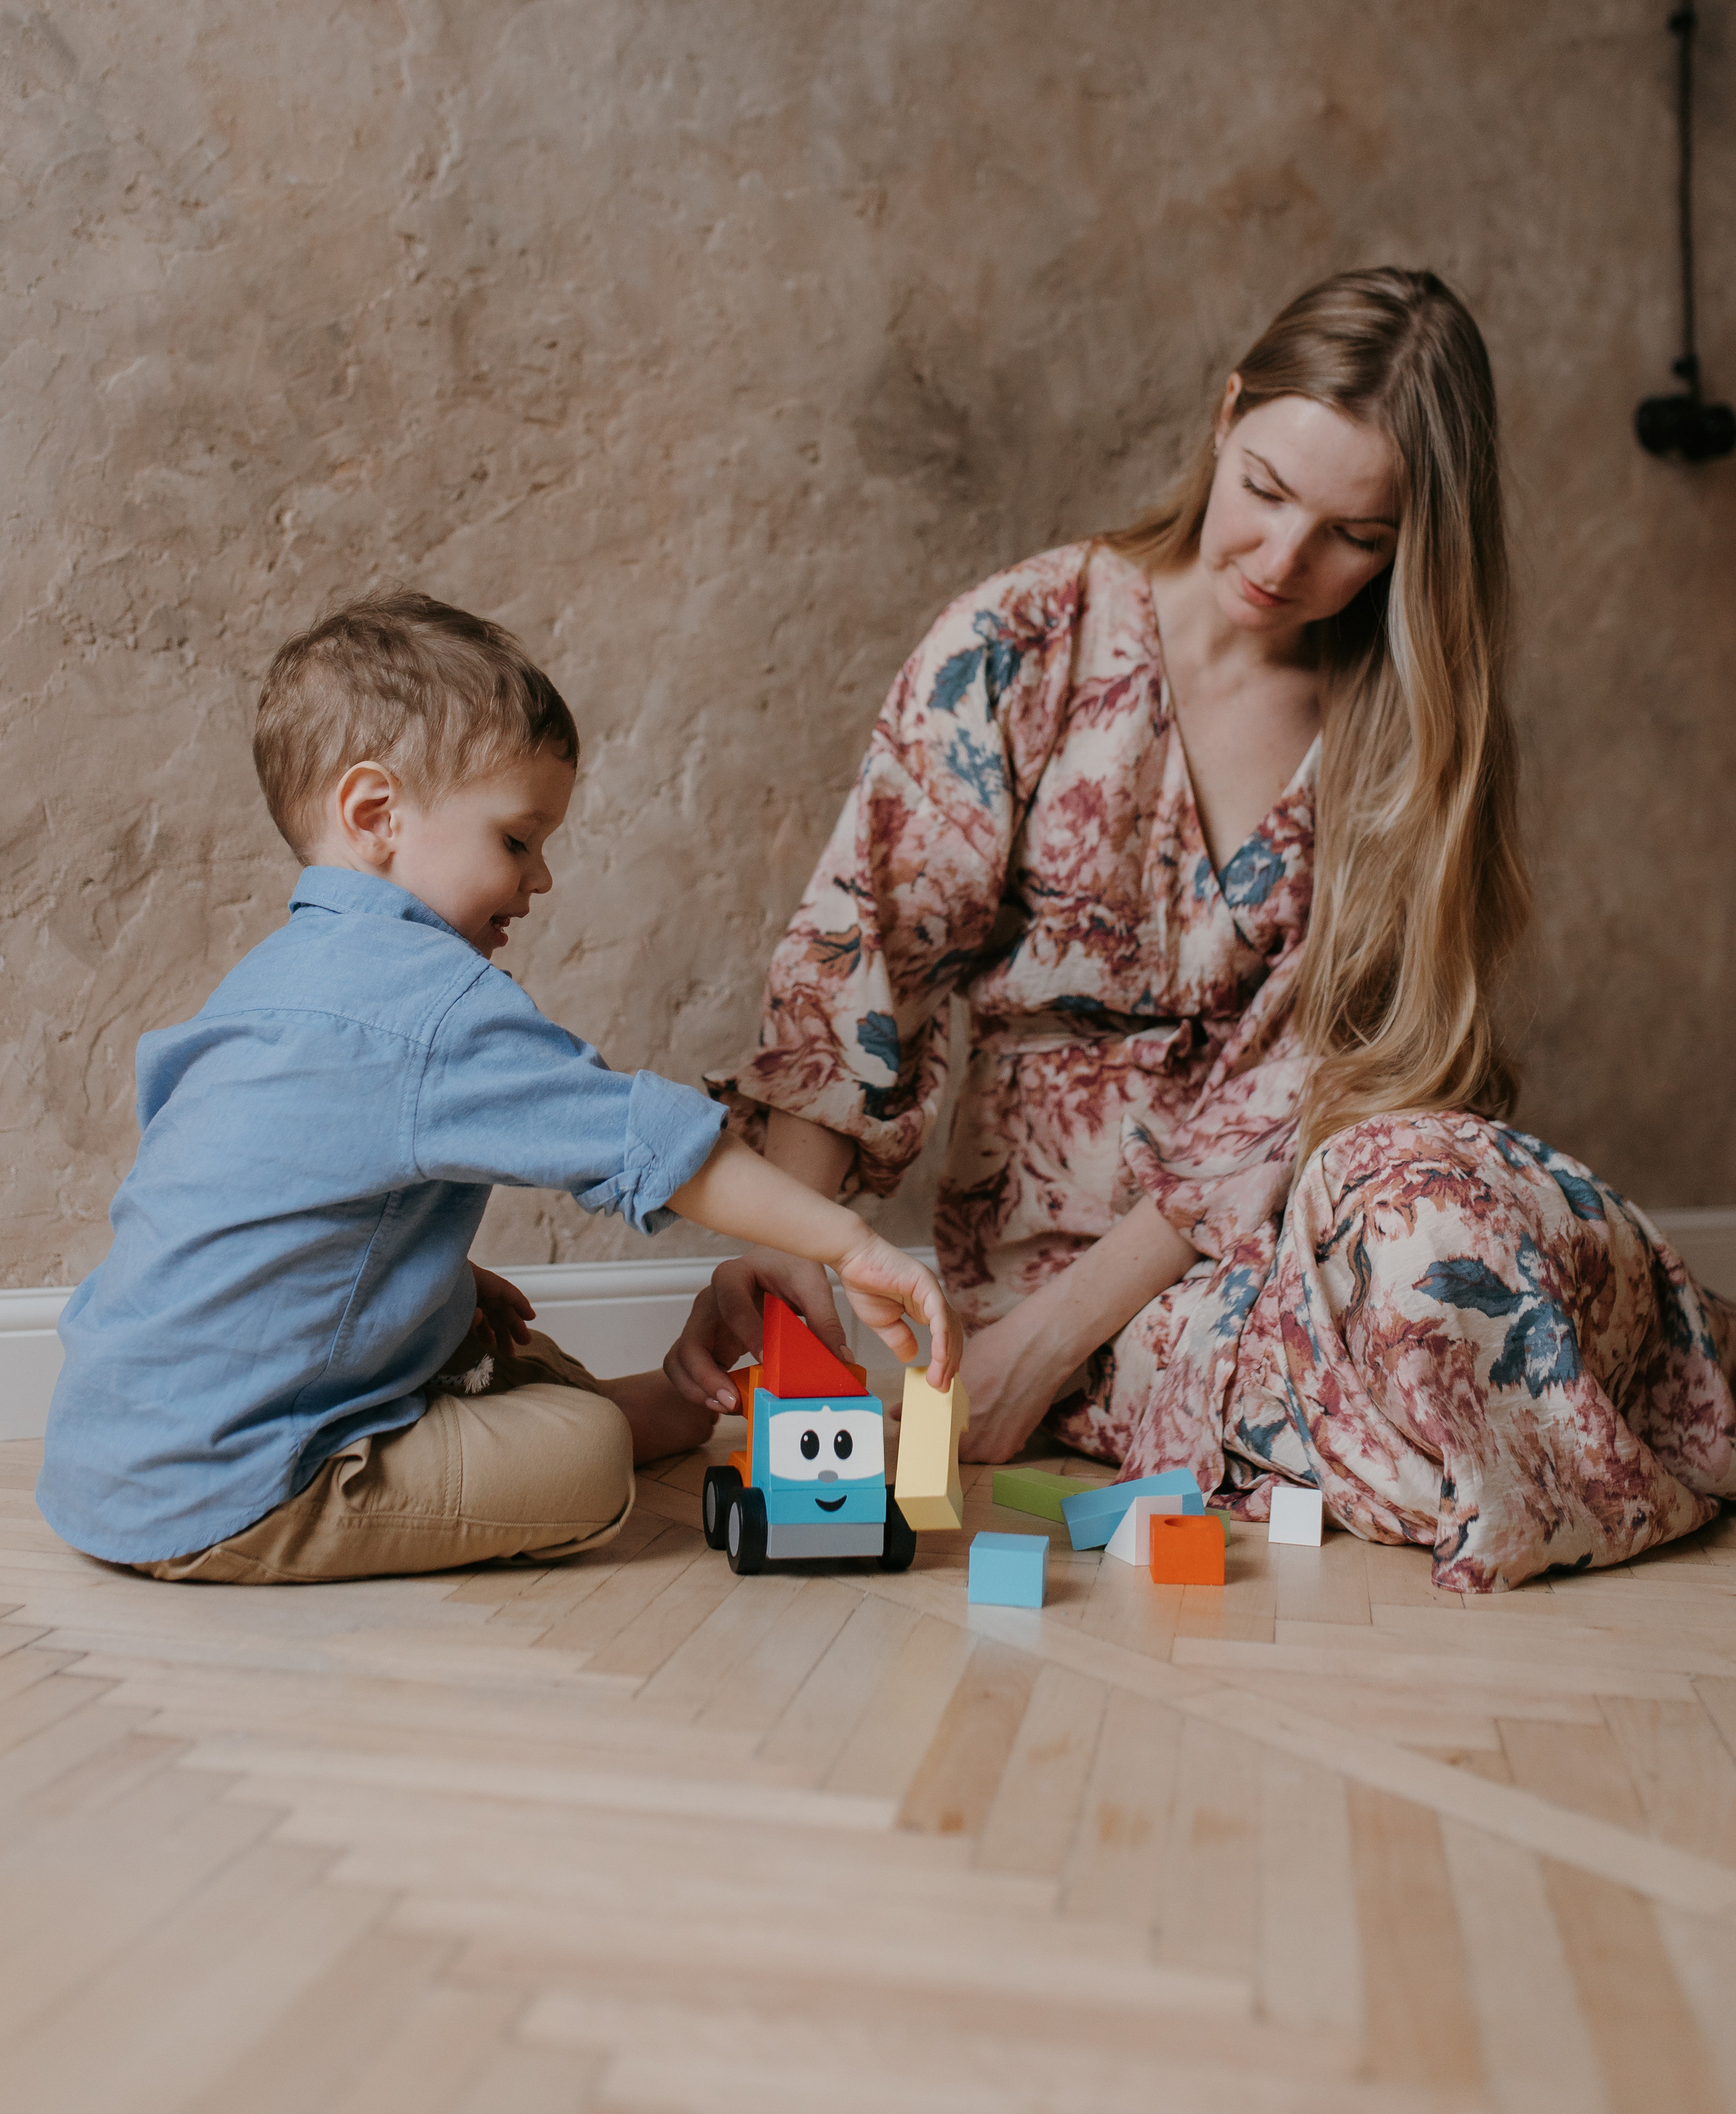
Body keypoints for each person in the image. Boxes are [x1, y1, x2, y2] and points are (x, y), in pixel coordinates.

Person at [669, 268, 1736, 1591]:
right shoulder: (1023, 640)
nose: (1282, 563)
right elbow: (859, 965)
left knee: (1427, 1221)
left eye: (1354, 535)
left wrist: (1054, 1339)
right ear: (1224, 417)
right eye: (1266, 490)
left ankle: (1638, 1389)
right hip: (1067, 1288)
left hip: (1289, 1231)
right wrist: (786, 1258)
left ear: (1414, 543)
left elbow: (1332, 1083)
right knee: (1396, 1421)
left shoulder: (1411, 734)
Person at [36, 591, 957, 1584]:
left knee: (489, 1336)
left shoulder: (271, 978)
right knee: (584, 1460)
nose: (542, 879)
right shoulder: (430, 1004)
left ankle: (661, 1401)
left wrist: (426, 1273)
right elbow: (642, 1135)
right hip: (238, 1488)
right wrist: (848, 1241)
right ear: (376, 814)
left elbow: (240, 1204)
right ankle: (615, 1421)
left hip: (111, 1459)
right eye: (518, 841)